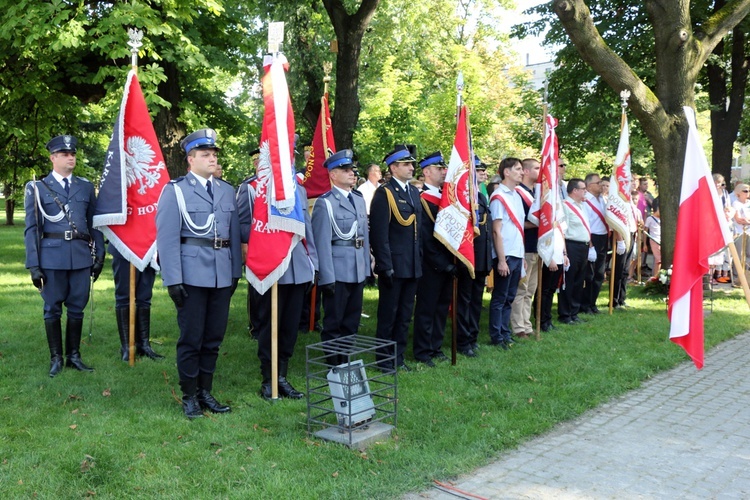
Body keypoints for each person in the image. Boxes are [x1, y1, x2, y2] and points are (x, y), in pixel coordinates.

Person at [155, 128, 241, 418]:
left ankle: (206, 391)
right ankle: (189, 394)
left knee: (214, 337)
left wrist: (235, 272)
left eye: (214, 154)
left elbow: (233, 233)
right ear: (190, 160)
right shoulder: (175, 190)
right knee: (192, 337)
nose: (212, 158)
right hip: (191, 274)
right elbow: (167, 238)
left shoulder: (227, 190)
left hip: (221, 273)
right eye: (206, 154)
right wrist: (173, 280)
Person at [237, 150, 318, 400]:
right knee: (268, 325)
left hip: (297, 269)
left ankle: (282, 376)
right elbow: (243, 232)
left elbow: (307, 231)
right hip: (269, 268)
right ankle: (268, 379)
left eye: (290, 159)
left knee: (290, 327)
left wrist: (312, 263)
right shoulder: (252, 189)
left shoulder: (299, 190)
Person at [24, 135, 105, 377]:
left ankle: (74, 357)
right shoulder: (37, 188)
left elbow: (94, 224)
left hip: (80, 257)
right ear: (53, 158)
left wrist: (99, 255)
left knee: (77, 308)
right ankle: (56, 358)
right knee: (52, 309)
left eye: (73, 154)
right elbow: (32, 228)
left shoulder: (86, 186)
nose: (71, 157)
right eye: (65, 154)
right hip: (51, 257)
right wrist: (33, 264)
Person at [311, 149, 370, 366]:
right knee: (334, 320)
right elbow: (322, 243)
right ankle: (333, 364)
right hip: (337, 269)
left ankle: (345, 359)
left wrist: (366, 270)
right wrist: (327, 277)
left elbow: (363, 238)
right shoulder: (325, 202)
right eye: (345, 170)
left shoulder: (359, 199)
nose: (352, 173)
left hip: (356, 269)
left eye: (352, 169)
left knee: (352, 320)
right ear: (332, 174)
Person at [369, 144, 422, 371]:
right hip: (394, 264)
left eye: (411, 164)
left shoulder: (413, 192)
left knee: (404, 315)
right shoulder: (385, 193)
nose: (412, 168)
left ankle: (398, 358)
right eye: (407, 164)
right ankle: (384, 360)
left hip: (412, 264)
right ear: (394, 167)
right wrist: (384, 264)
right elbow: (379, 234)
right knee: (389, 314)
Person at [412, 151, 453, 367]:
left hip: (448, 262)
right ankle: (422, 350)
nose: (444, 171)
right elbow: (425, 238)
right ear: (427, 172)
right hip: (430, 265)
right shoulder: (422, 199)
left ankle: (435, 347)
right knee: (427, 308)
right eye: (439, 169)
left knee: (441, 307)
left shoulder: (446, 197)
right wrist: (441, 263)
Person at [456, 157, 492, 356]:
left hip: (481, 258)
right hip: (468, 257)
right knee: (465, 300)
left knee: (476, 301)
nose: (483, 173)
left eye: (483, 170)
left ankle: (472, 337)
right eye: (478, 170)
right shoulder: (463, 196)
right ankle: (462, 341)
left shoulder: (481, 196)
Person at [488, 157, 526, 349]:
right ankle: (497, 335)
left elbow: (518, 228)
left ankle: (505, 332)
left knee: (510, 297)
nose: (522, 172)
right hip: (506, 254)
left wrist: (522, 255)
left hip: (516, 253)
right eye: (518, 169)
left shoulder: (517, 195)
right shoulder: (498, 197)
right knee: (500, 297)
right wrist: (501, 260)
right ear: (507, 172)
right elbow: (497, 230)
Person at [109, 245, 163, 361]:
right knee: (124, 296)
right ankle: (127, 347)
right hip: (123, 245)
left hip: (148, 247)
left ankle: (143, 345)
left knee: (144, 296)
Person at [510, 158, 540, 338]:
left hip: (537, 246)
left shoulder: (536, 192)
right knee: (521, 289)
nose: (540, 170)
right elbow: (518, 222)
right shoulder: (519, 194)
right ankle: (518, 327)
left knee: (530, 290)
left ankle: (527, 325)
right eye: (537, 168)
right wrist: (539, 223)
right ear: (527, 172)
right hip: (525, 246)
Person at [559, 178, 592, 325]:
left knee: (579, 280)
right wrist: (564, 251)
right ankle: (565, 313)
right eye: (583, 188)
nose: (585, 191)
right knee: (569, 280)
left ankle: (574, 312)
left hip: (583, 246)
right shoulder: (565, 206)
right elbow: (562, 230)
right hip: (571, 245)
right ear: (574, 190)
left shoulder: (581, 206)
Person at [581, 173, 608, 314]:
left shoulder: (602, 199)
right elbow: (586, 224)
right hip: (592, 238)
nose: (601, 186)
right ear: (589, 185)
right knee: (589, 274)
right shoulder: (586, 201)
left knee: (599, 273)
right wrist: (590, 245)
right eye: (598, 183)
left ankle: (592, 303)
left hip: (603, 237)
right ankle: (584, 304)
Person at [644, 198, 662, 277]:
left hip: (661, 241)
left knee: (658, 260)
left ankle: (656, 275)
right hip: (654, 240)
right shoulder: (649, 219)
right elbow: (645, 231)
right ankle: (655, 277)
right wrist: (645, 244)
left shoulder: (662, 219)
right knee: (658, 260)